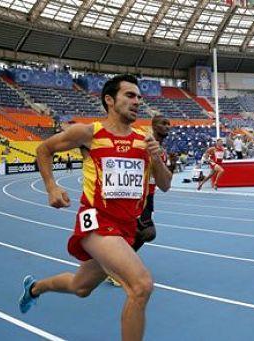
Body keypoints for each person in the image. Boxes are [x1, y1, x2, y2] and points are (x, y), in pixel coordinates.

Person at [18, 75, 171, 341]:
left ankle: (35, 288)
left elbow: (166, 184)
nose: (137, 101)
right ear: (110, 100)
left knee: (81, 287)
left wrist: (156, 159)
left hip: (125, 228)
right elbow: (44, 150)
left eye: (139, 97)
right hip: (96, 221)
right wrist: (52, 187)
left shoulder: (144, 140)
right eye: (130, 96)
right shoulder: (89, 133)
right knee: (141, 285)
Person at [106, 115, 172, 287]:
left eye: (168, 124)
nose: (167, 127)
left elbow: (164, 181)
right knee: (146, 232)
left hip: (148, 197)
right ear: (153, 125)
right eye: (163, 123)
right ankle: (115, 268)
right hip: (134, 196)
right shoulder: (142, 141)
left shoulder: (161, 150)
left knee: (143, 232)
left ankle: (111, 265)